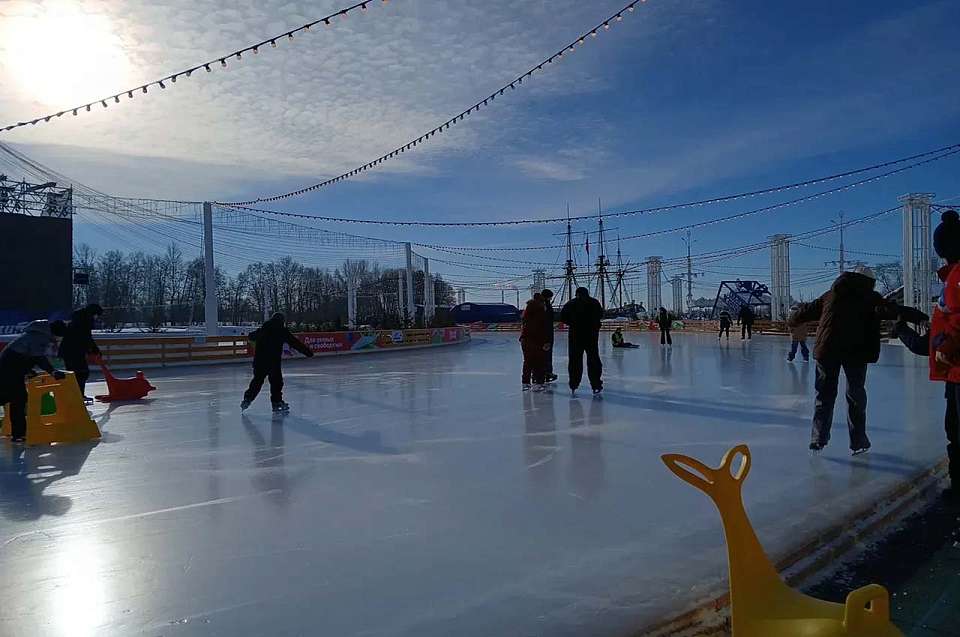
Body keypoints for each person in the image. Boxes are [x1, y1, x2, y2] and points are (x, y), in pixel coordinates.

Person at [789, 265, 899, 454]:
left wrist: (792, 320)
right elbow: (892, 310)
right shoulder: (871, 297)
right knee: (855, 395)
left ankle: (818, 437)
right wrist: (919, 317)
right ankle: (858, 441)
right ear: (869, 282)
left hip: (828, 350)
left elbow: (806, 311)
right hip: (856, 352)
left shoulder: (830, 294)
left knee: (824, 395)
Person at [894, 210, 960, 497]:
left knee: (956, 432)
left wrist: (946, 345)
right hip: (953, 371)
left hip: (957, 369)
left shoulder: (958, 277)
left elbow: (955, 321)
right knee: (953, 429)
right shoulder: (952, 277)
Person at [0, 320, 67, 443]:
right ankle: (19, 434)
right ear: (56, 332)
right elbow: (38, 357)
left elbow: (26, 355)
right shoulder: (39, 337)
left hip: (10, 366)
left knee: (15, 397)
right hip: (9, 368)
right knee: (18, 398)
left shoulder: (37, 333)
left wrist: (28, 370)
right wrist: (52, 371)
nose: (58, 339)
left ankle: (19, 434)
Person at [241, 313, 314, 413]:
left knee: (257, 381)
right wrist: (308, 352)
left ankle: (247, 399)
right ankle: (276, 402)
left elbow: (251, 336)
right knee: (276, 383)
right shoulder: (281, 330)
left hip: (259, 361)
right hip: (273, 362)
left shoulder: (264, 328)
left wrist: (256, 335)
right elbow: (295, 342)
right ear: (282, 321)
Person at [560, 287, 604, 396]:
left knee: (575, 360)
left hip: (575, 335)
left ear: (577, 294)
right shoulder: (594, 302)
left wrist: (573, 323)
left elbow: (563, 317)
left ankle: (574, 384)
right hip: (591, 335)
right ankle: (596, 384)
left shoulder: (571, 303)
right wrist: (594, 325)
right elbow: (600, 315)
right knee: (593, 359)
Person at [58, 303, 103, 403]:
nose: (97, 318)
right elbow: (86, 338)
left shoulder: (80, 318)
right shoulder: (84, 321)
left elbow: (85, 338)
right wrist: (95, 350)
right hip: (73, 351)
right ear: (93, 313)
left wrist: (92, 350)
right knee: (81, 373)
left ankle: (75, 395)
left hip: (71, 350)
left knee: (76, 374)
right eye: (97, 315)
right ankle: (76, 396)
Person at [520, 293, 549, 391]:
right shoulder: (540, 311)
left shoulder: (527, 311)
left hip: (525, 339)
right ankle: (538, 382)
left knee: (528, 362)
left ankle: (525, 382)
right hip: (537, 340)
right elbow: (543, 328)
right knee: (539, 362)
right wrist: (546, 341)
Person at [541, 289, 558, 383]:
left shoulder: (538, 305)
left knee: (541, 354)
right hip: (546, 334)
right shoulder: (545, 306)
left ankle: (540, 373)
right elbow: (547, 321)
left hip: (541, 334)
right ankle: (546, 373)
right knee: (546, 354)